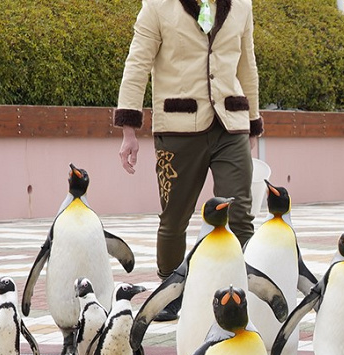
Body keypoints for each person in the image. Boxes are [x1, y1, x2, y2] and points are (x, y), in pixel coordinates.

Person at [113, 0, 264, 321]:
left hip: (231, 124)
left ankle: (243, 289)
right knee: (174, 218)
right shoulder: (157, 6)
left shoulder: (241, 5)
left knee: (239, 215)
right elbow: (137, 62)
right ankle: (170, 293)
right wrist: (129, 128)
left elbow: (247, 65)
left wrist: (252, 122)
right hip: (177, 128)